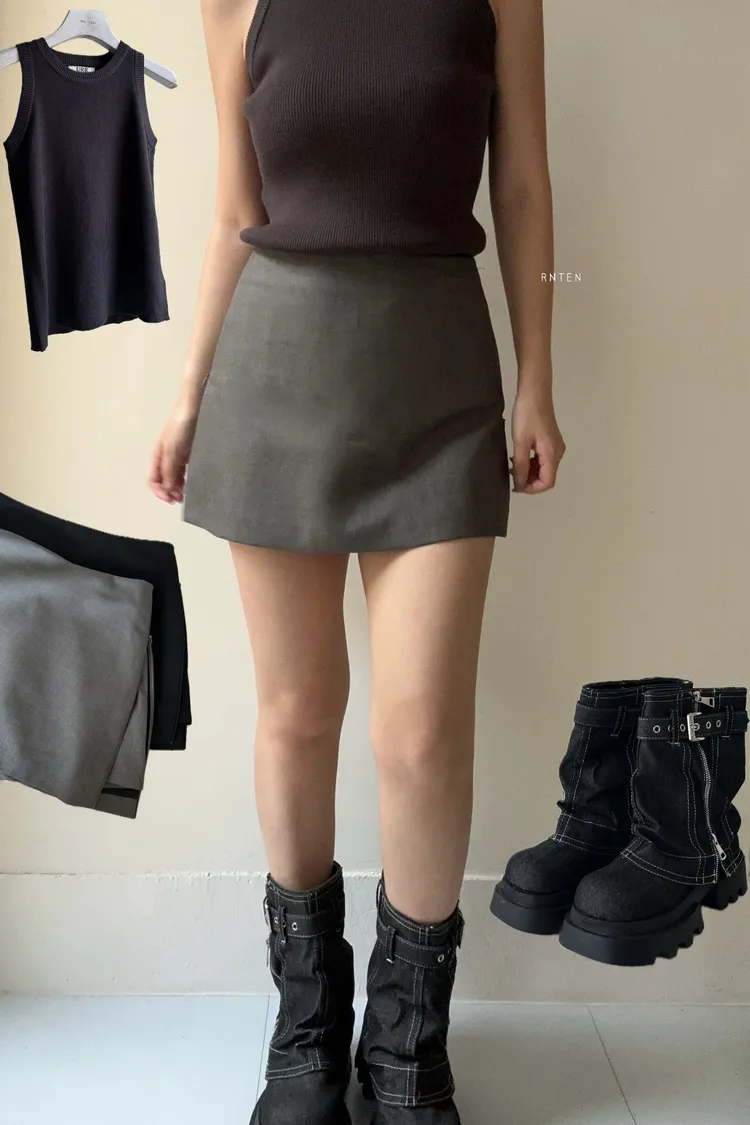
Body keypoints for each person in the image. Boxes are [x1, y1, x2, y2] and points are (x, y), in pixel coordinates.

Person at [149, 0, 565, 1121]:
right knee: (296, 713)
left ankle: (407, 1051)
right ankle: (306, 1036)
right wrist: (188, 396)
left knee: (421, 730)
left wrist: (539, 375)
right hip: (274, 371)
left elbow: (523, 185)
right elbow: (236, 210)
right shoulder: (235, 2)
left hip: (440, 376)